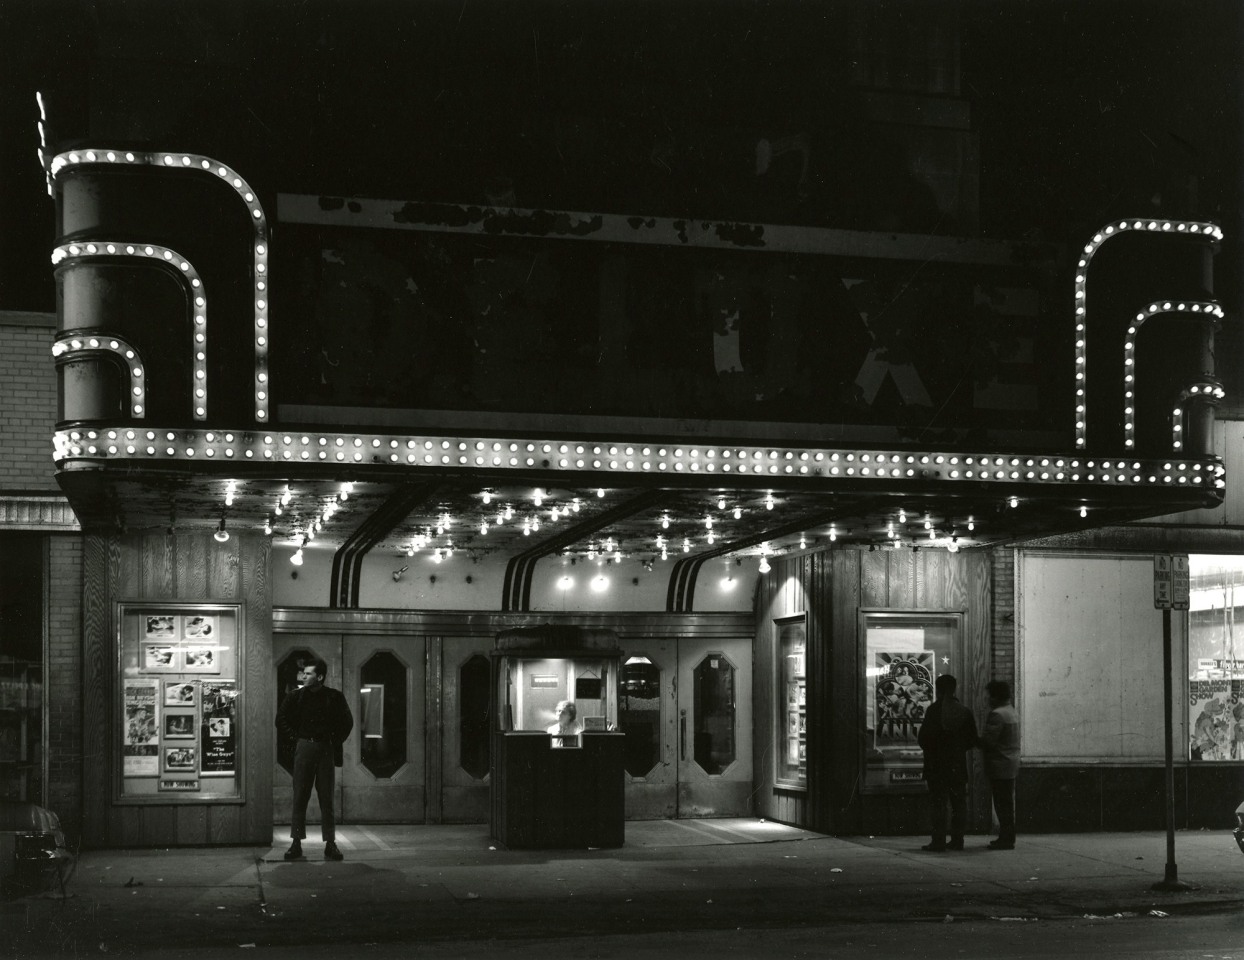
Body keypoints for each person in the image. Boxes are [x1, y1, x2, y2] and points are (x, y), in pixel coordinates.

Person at [275, 658, 353, 861]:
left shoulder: (334, 697)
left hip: (325, 748)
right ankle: (296, 842)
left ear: (320, 677)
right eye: (303, 673)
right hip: (305, 746)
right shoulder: (296, 696)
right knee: (300, 795)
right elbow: (280, 719)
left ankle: (330, 843)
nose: (303, 676)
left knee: (326, 797)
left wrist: (334, 741)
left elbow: (347, 721)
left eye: (308, 673)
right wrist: (296, 739)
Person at [917, 674, 977, 852]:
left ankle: (938, 841)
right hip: (957, 765)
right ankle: (958, 840)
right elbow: (971, 739)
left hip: (936, 766)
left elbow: (923, 739)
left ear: (938, 689)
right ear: (954, 688)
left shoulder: (933, 711)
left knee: (938, 804)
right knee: (959, 803)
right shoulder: (964, 711)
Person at [979, 680, 1020, 850]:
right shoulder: (1011, 711)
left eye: (989, 695)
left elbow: (989, 742)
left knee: (1002, 804)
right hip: (1010, 763)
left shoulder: (997, 714)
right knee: (1007, 803)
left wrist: (973, 740)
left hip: (999, 764)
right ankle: (1008, 837)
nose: (987, 698)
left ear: (995, 696)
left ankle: (1006, 838)